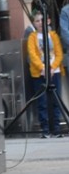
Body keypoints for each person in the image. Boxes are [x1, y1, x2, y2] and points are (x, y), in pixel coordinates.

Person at [26, 10, 64, 138]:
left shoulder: (53, 35)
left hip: (55, 72)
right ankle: (45, 129)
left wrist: (52, 67)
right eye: (37, 21)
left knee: (56, 100)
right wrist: (43, 68)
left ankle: (56, 129)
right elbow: (33, 55)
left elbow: (59, 53)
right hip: (39, 73)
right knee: (42, 102)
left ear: (48, 21)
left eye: (42, 20)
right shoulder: (32, 37)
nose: (40, 23)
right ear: (34, 23)